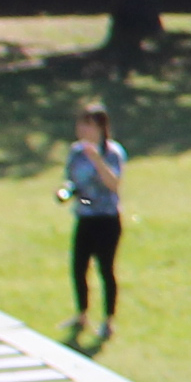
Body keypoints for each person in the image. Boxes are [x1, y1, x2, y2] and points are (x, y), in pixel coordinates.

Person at [60, 100, 128, 342]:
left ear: (100, 128)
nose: (83, 130)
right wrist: (66, 192)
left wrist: (97, 159)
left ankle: (108, 319)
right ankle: (82, 314)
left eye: (88, 125)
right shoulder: (76, 153)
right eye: (81, 125)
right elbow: (71, 180)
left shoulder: (113, 153)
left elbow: (113, 183)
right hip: (85, 215)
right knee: (78, 267)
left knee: (105, 269)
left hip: (107, 218)